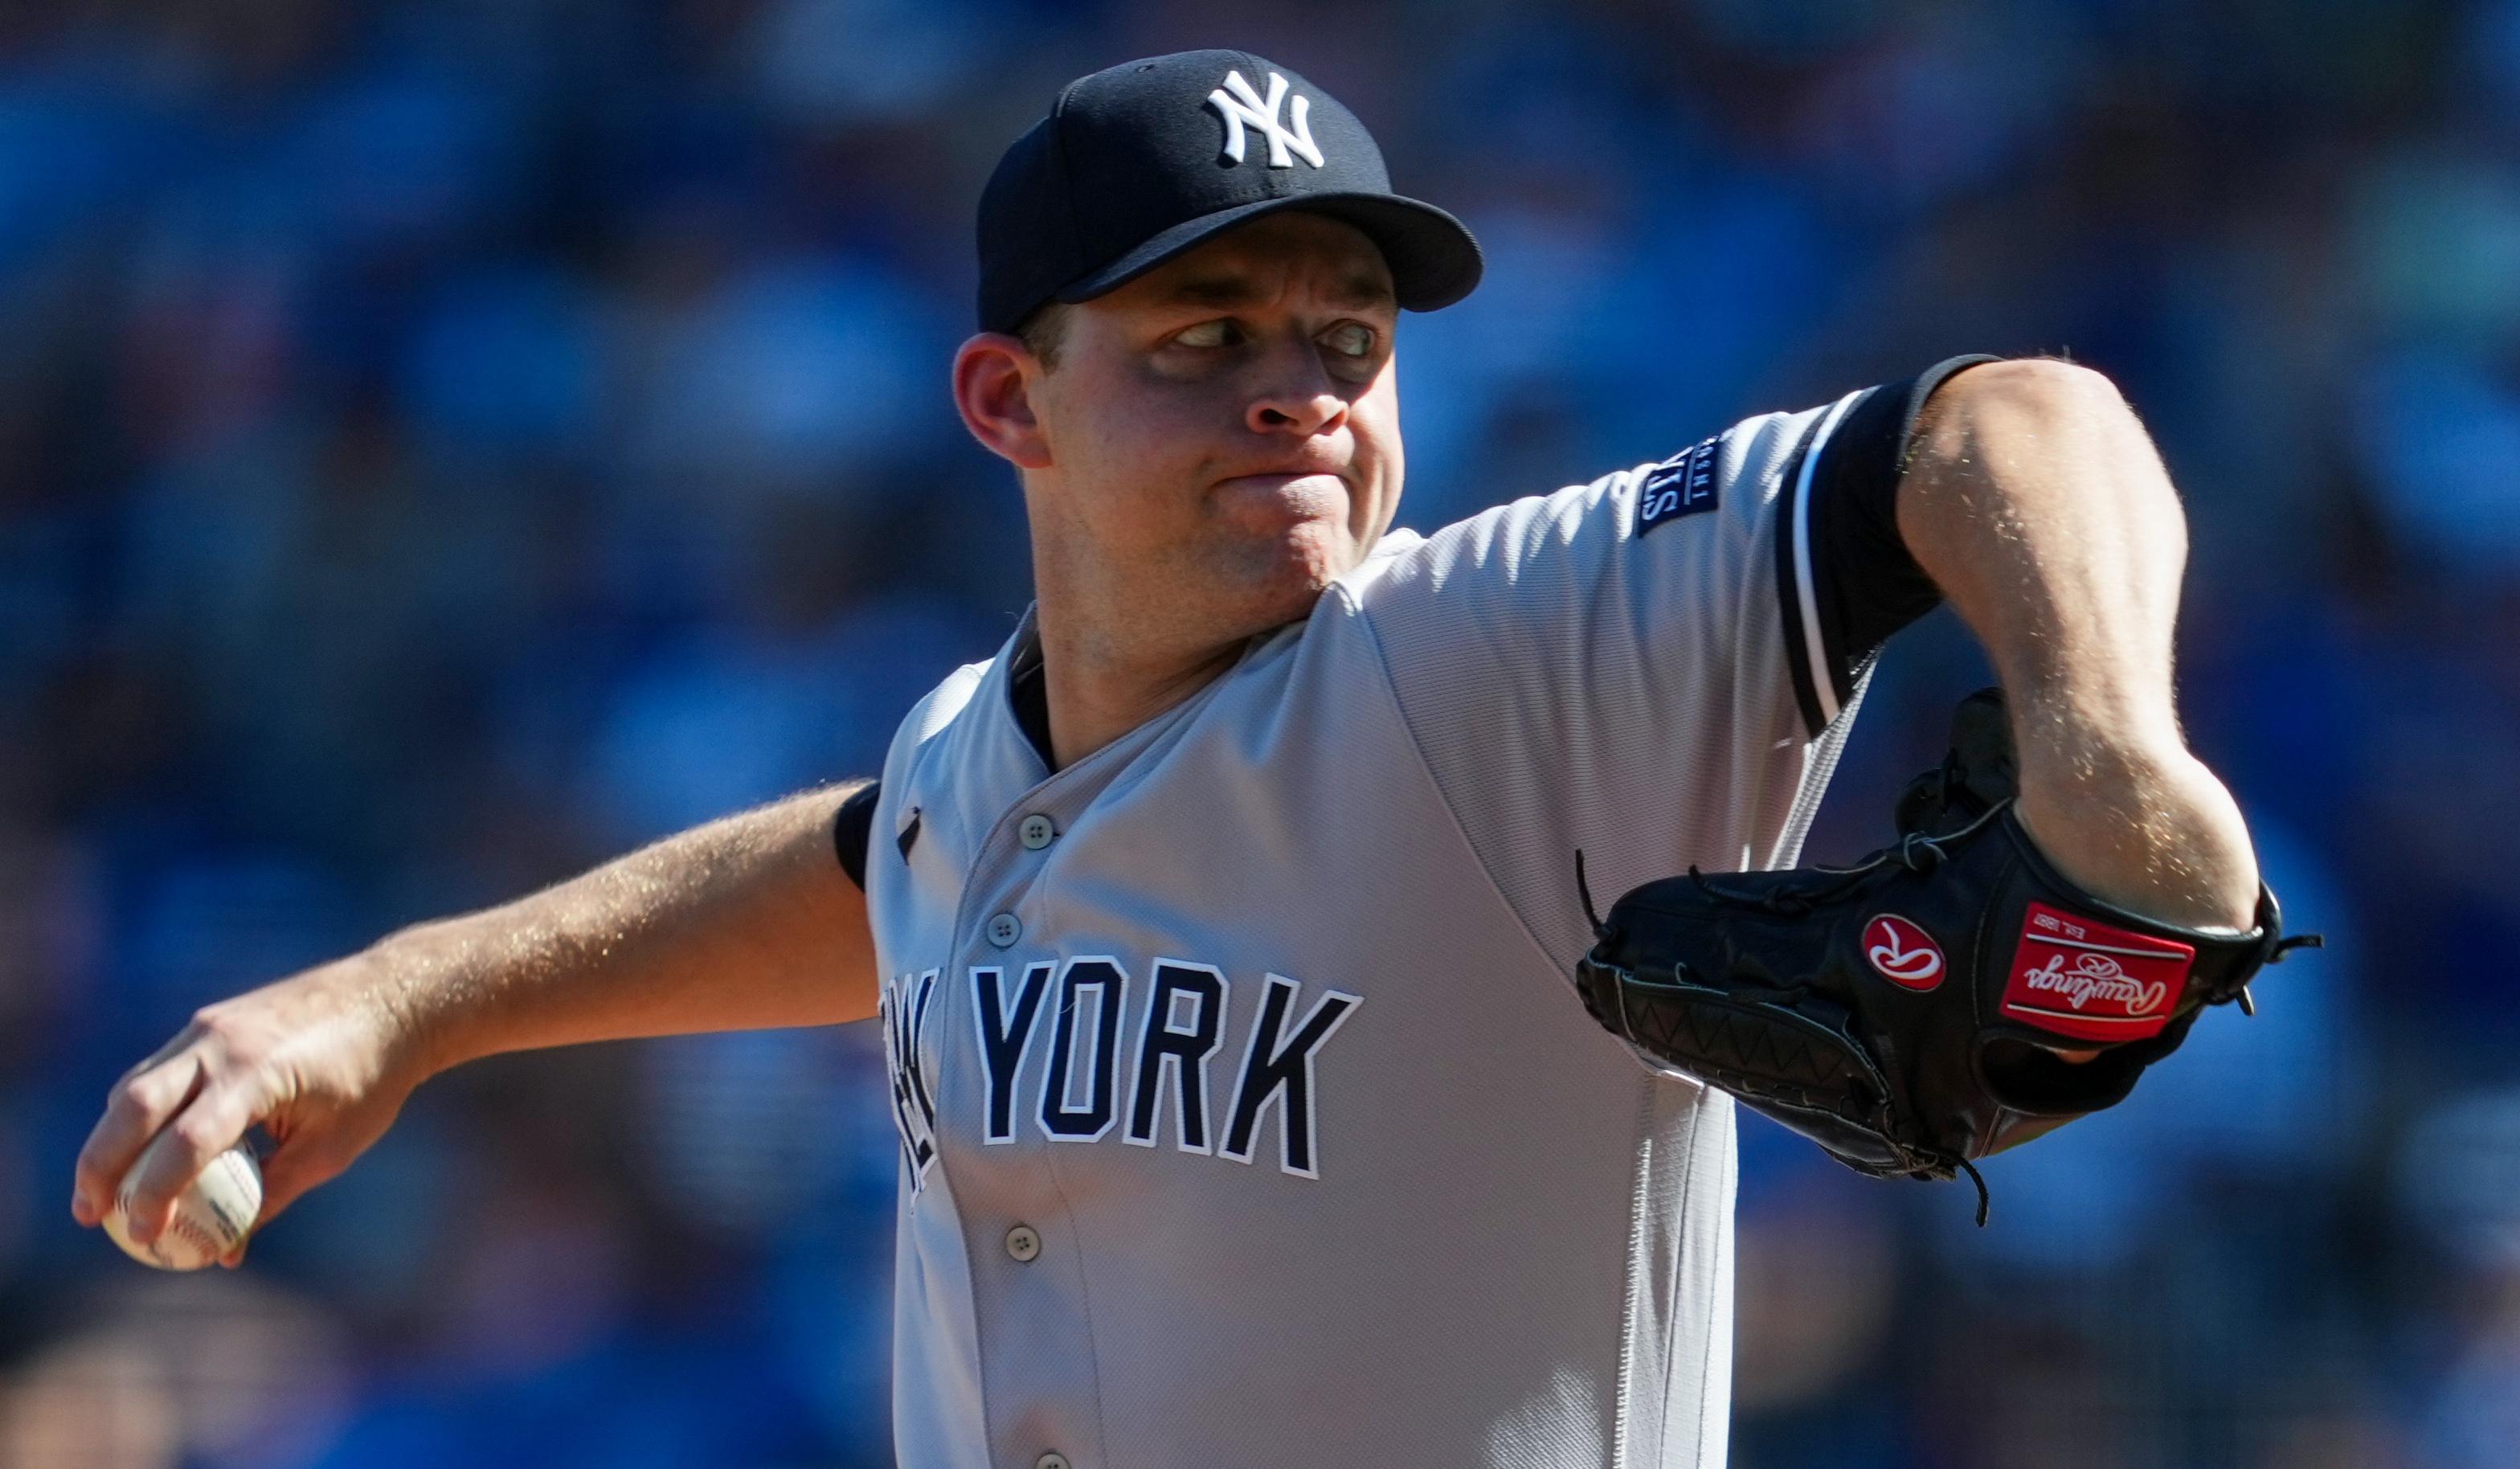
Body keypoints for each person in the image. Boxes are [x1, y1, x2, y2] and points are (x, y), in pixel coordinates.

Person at [71, 48, 2264, 1468]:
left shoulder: (1490, 655)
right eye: (1205, 338)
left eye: (1346, 339)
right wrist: (401, 999)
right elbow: (875, 862)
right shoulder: (971, 752)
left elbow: (2012, 426)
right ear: (1003, 405)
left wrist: (2105, 746)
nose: (1299, 391)